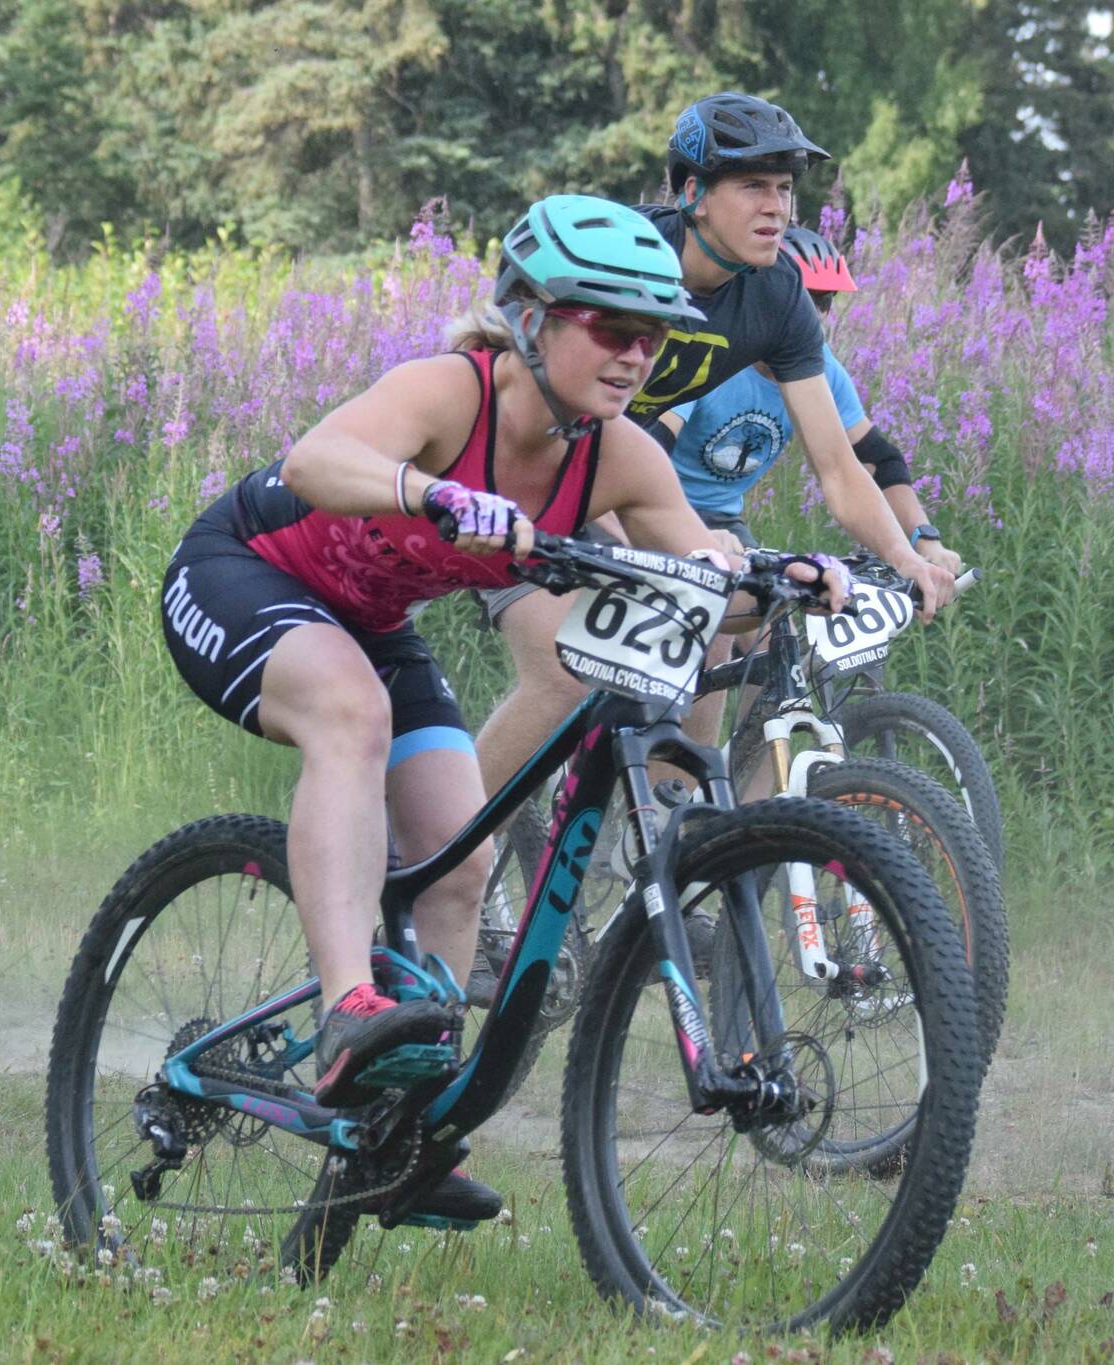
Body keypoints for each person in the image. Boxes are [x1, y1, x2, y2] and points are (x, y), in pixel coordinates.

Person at [158, 194, 848, 1221]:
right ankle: (350, 1002)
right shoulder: (451, 390)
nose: (633, 357)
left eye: (652, 339)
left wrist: (781, 573)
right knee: (349, 719)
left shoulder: (614, 451)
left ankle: (397, 1140)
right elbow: (312, 462)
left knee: (459, 858)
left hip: (373, 622)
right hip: (243, 575)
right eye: (610, 329)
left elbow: (701, 559)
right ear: (528, 319)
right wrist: (429, 494)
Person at [470, 94, 957, 800]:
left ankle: (670, 855)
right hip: (518, 472)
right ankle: (435, 867)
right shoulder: (628, 256)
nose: (778, 208)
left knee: (719, 631)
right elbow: (551, 405)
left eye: (786, 188)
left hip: (617, 478)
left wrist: (908, 557)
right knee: (564, 675)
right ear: (691, 192)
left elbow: (840, 464)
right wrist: (658, 548)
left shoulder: (780, 295)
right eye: (754, 186)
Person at [654, 225, 965, 775]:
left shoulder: (815, 367)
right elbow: (651, 448)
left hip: (727, 518)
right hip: (659, 505)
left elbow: (873, 461)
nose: (814, 316)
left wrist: (923, 544)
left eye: (824, 303)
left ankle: (741, 820)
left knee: (779, 642)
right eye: (805, 299)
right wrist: (695, 538)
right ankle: (680, 792)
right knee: (713, 630)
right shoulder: (722, 355)